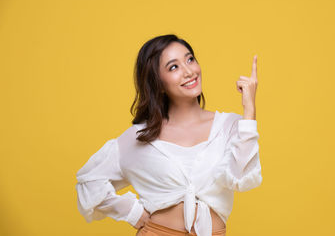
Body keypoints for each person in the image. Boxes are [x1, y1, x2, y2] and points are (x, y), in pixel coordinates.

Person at [75, 34, 262, 236]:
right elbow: (90, 180)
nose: (189, 71)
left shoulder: (230, 126)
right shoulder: (141, 136)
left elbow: (242, 178)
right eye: (174, 67)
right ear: (159, 83)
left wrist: (249, 112)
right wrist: (132, 212)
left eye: (190, 59)